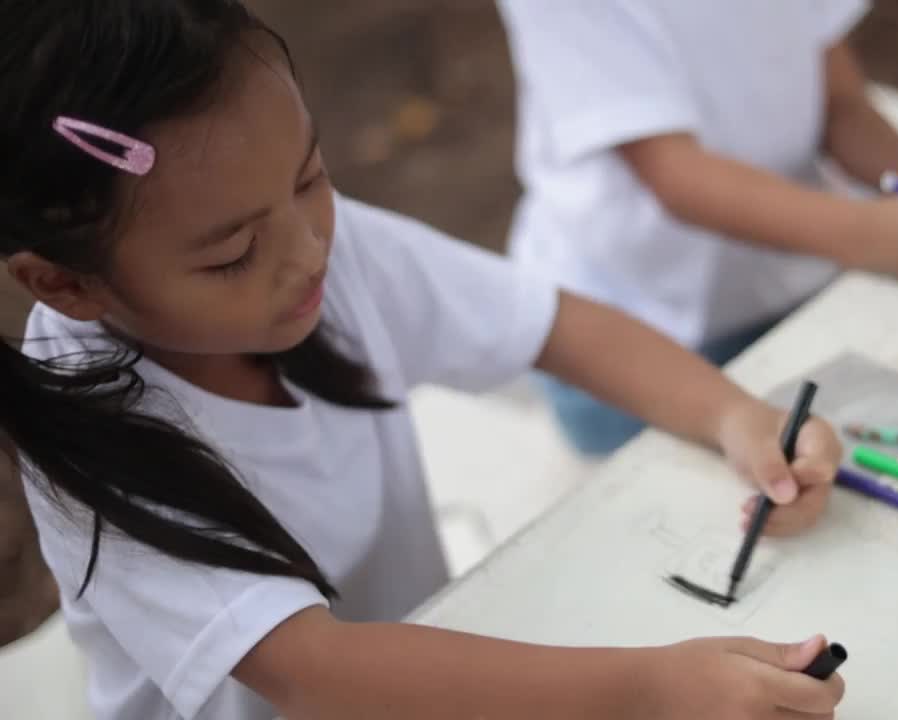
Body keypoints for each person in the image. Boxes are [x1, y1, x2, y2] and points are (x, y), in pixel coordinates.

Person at [0, 2, 845, 718]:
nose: (306, 254)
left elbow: (552, 326)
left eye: (309, 177)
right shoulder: (99, 448)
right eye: (231, 256)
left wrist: (739, 417)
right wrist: (648, 687)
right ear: (66, 283)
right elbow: (313, 671)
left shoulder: (316, 248)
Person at [498, 0, 898, 455]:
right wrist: (885, 237)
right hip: (626, 340)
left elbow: (841, 105)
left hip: (786, 292)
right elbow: (681, 180)